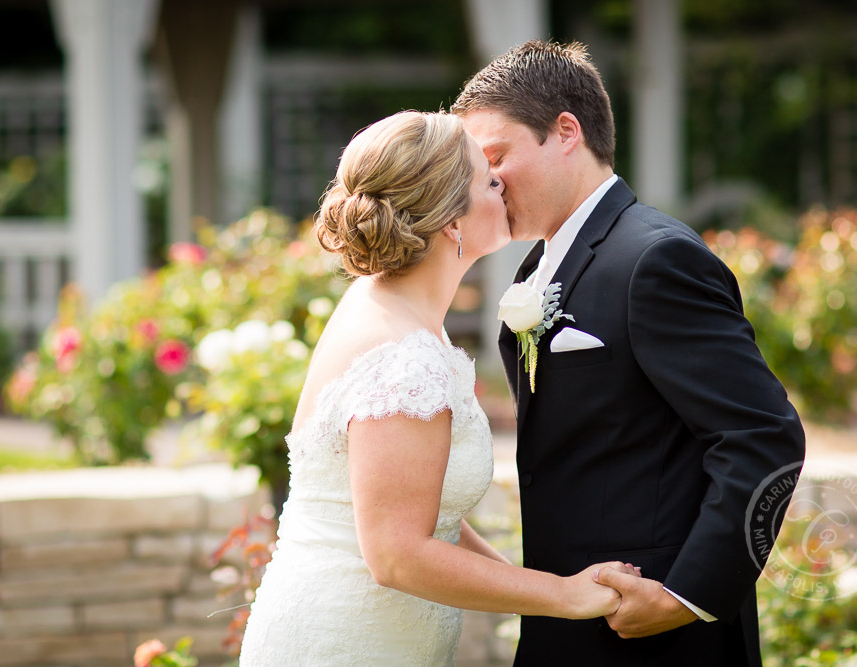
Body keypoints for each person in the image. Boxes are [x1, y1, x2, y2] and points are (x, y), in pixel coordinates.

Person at [453, 40, 807, 666]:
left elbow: (763, 435)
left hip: (657, 636)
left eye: (497, 156)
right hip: (568, 619)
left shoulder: (655, 258)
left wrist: (687, 595)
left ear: (566, 132)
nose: (488, 180)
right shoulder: (538, 269)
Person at [238, 110, 630, 666]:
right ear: (452, 221)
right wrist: (563, 597)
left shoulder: (392, 307)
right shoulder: (404, 358)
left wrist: (541, 590)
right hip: (349, 643)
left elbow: (426, 512)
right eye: (489, 179)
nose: (504, 185)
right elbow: (397, 555)